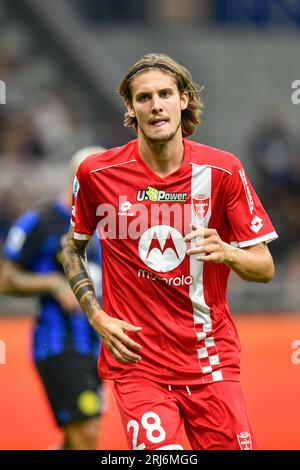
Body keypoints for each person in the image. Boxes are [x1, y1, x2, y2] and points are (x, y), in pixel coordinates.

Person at [62, 54, 278, 451]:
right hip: (138, 363)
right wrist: (96, 315)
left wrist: (228, 251)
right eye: (144, 98)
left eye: (165, 94)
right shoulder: (96, 174)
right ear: (130, 107)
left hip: (210, 361)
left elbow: (264, 268)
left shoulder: (223, 171)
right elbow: (71, 248)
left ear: (183, 100)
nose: (155, 105)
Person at [0, 146, 106, 450]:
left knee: (77, 438)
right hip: (60, 342)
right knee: (88, 431)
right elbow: (5, 279)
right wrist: (53, 283)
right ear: (78, 178)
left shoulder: (108, 226)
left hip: (99, 345)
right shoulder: (39, 223)